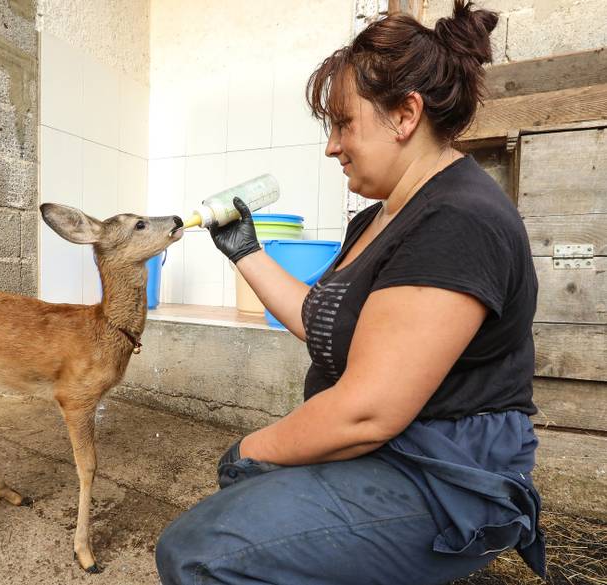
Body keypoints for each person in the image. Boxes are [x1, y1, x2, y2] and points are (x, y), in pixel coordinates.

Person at [154, 2, 546, 584]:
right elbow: (326, 323)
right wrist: (246, 252)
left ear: (405, 114)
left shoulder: (457, 219)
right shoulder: (377, 218)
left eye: (343, 124)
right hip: (393, 451)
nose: (333, 147)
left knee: (198, 553)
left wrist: (249, 449)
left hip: (443, 474)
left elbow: (367, 412)